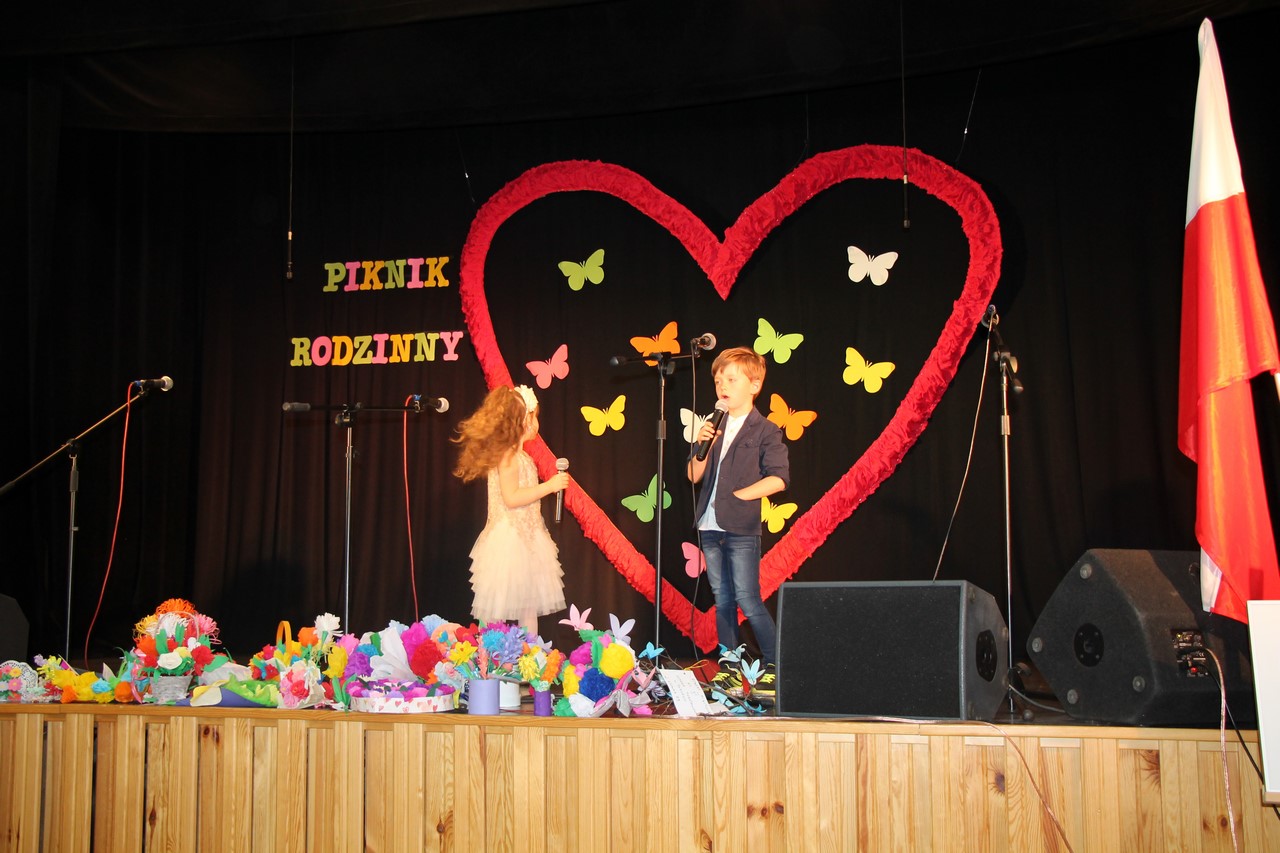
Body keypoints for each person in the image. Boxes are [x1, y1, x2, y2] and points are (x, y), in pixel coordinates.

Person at [686, 346, 790, 697]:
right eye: (718, 381)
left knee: (747, 597)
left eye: (731, 379)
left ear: (754, 385)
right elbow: (693, 474)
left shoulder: (765, 430)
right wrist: (701, 444)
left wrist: (741, 496)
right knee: (723, 599)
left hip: (741, 528)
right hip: (709, 526)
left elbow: (779, 478)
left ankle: (775, 667)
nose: (723, 386)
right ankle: (729, 667)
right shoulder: (712, 427)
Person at [453, 383, 569, 636]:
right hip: (508, 539)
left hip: (528, 538)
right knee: (495, 605)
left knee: (528, 605)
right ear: (522, 421)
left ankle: (530, 652)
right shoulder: (507, 457)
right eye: (534, 417)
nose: (536, 423)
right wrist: (550, 486)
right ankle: (486, 652)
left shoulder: (523, 457)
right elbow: (512, 498)